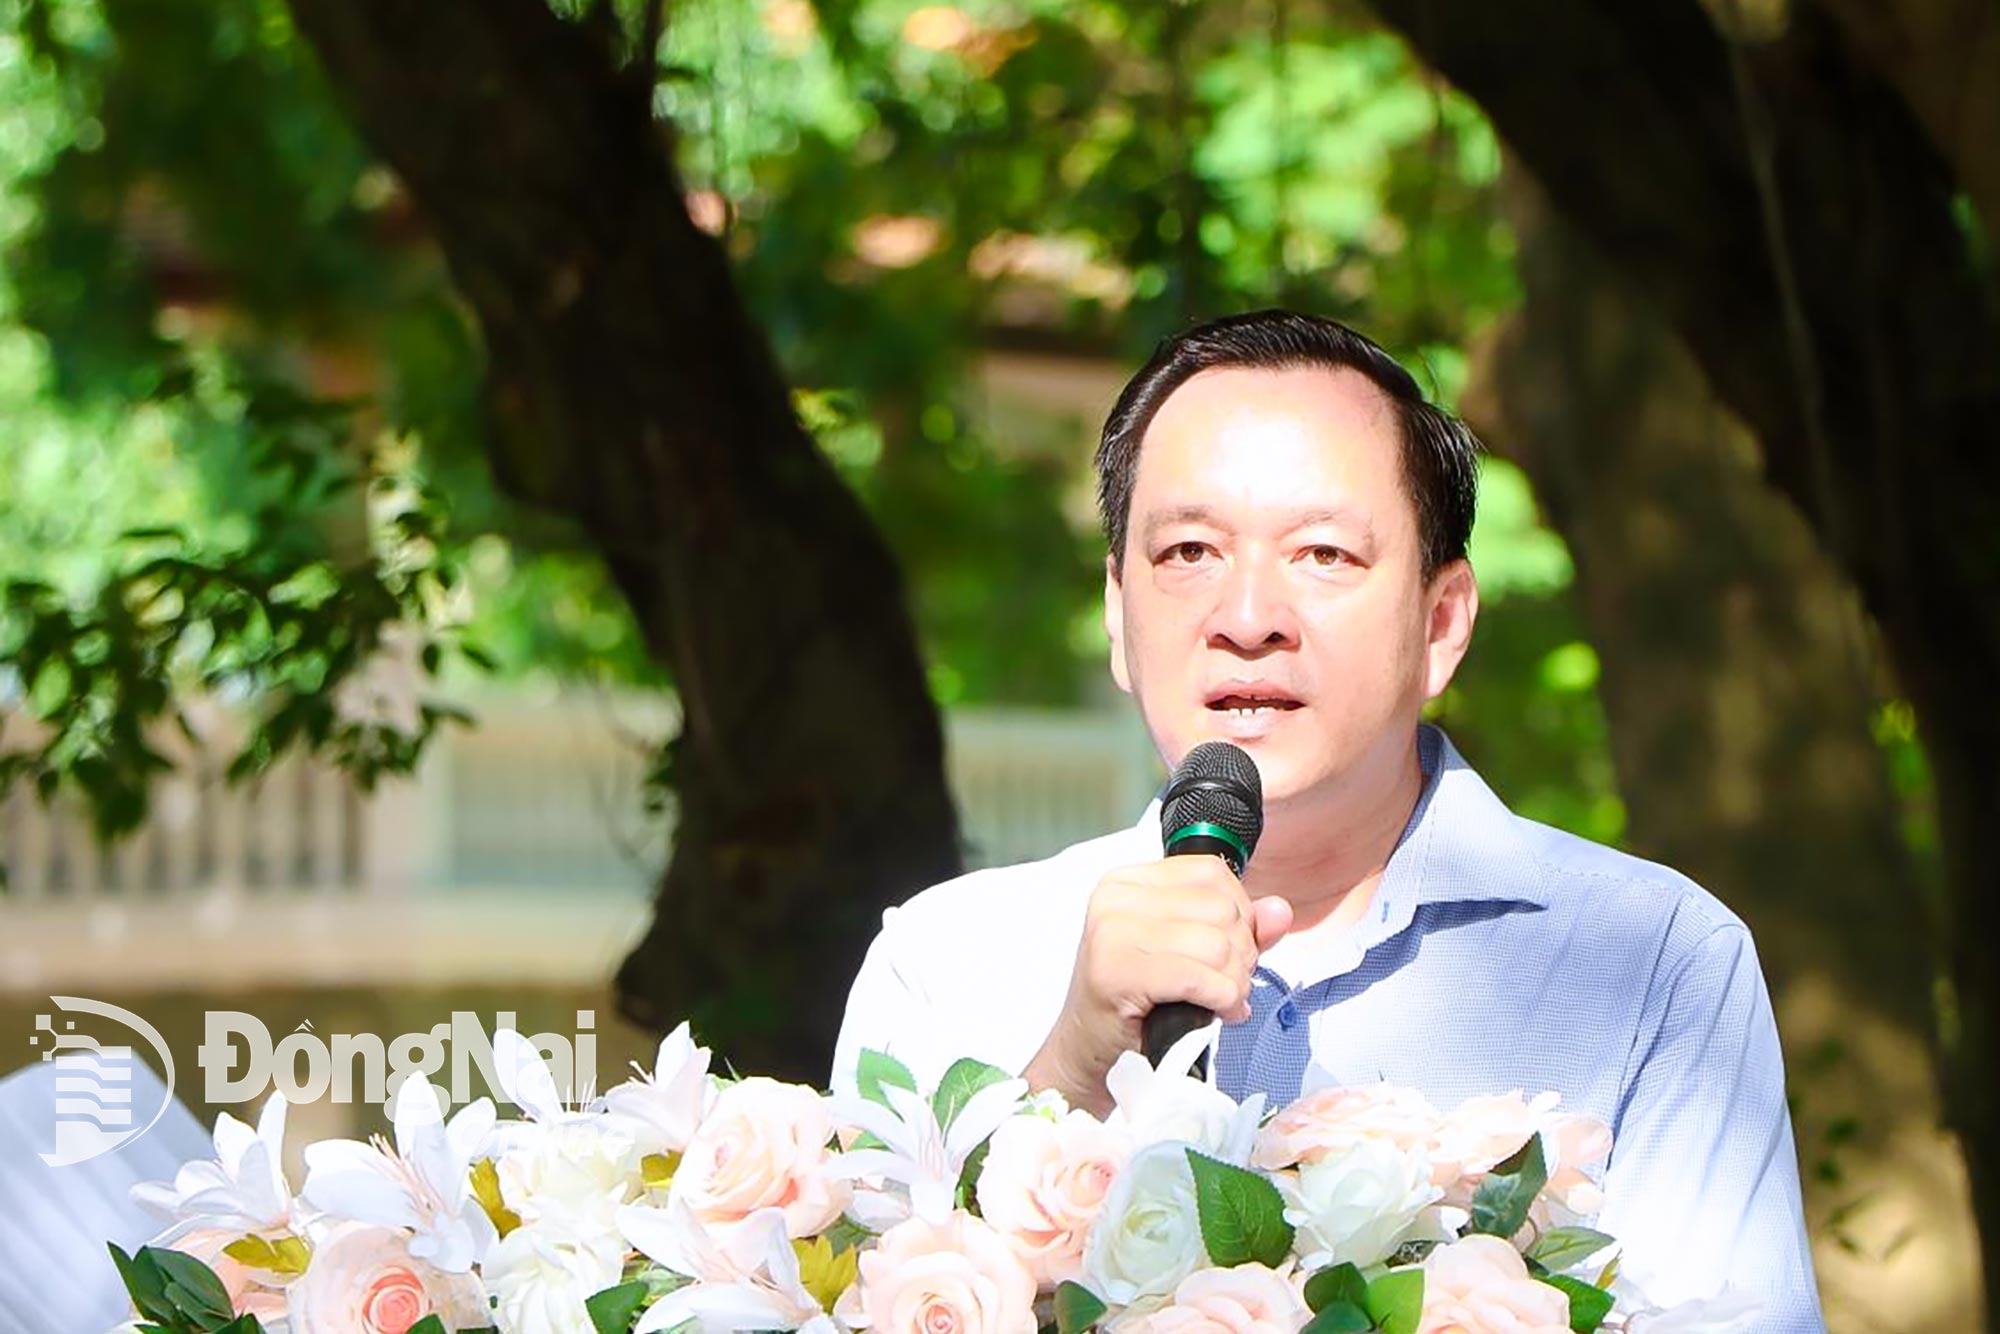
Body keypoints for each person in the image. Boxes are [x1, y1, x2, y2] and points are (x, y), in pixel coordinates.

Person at [833, 309, 1825, 1331]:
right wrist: (1073, 1068)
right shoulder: (940, 963)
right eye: (1185, 550)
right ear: (1119, 616)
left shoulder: (1654, 962)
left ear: (1440, 624)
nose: (1247, 613)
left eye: (1320, 553)